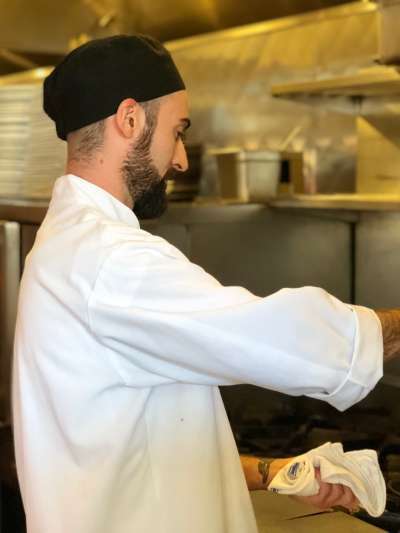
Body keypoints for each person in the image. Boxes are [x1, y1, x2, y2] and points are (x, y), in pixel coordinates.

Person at [11, 34, 398, 533]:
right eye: (178, 132)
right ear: (129, 119)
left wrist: (267, 471)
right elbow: (280, 337)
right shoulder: (109, 261)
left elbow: (131, 433)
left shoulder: (69, 244)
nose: (181, 161)